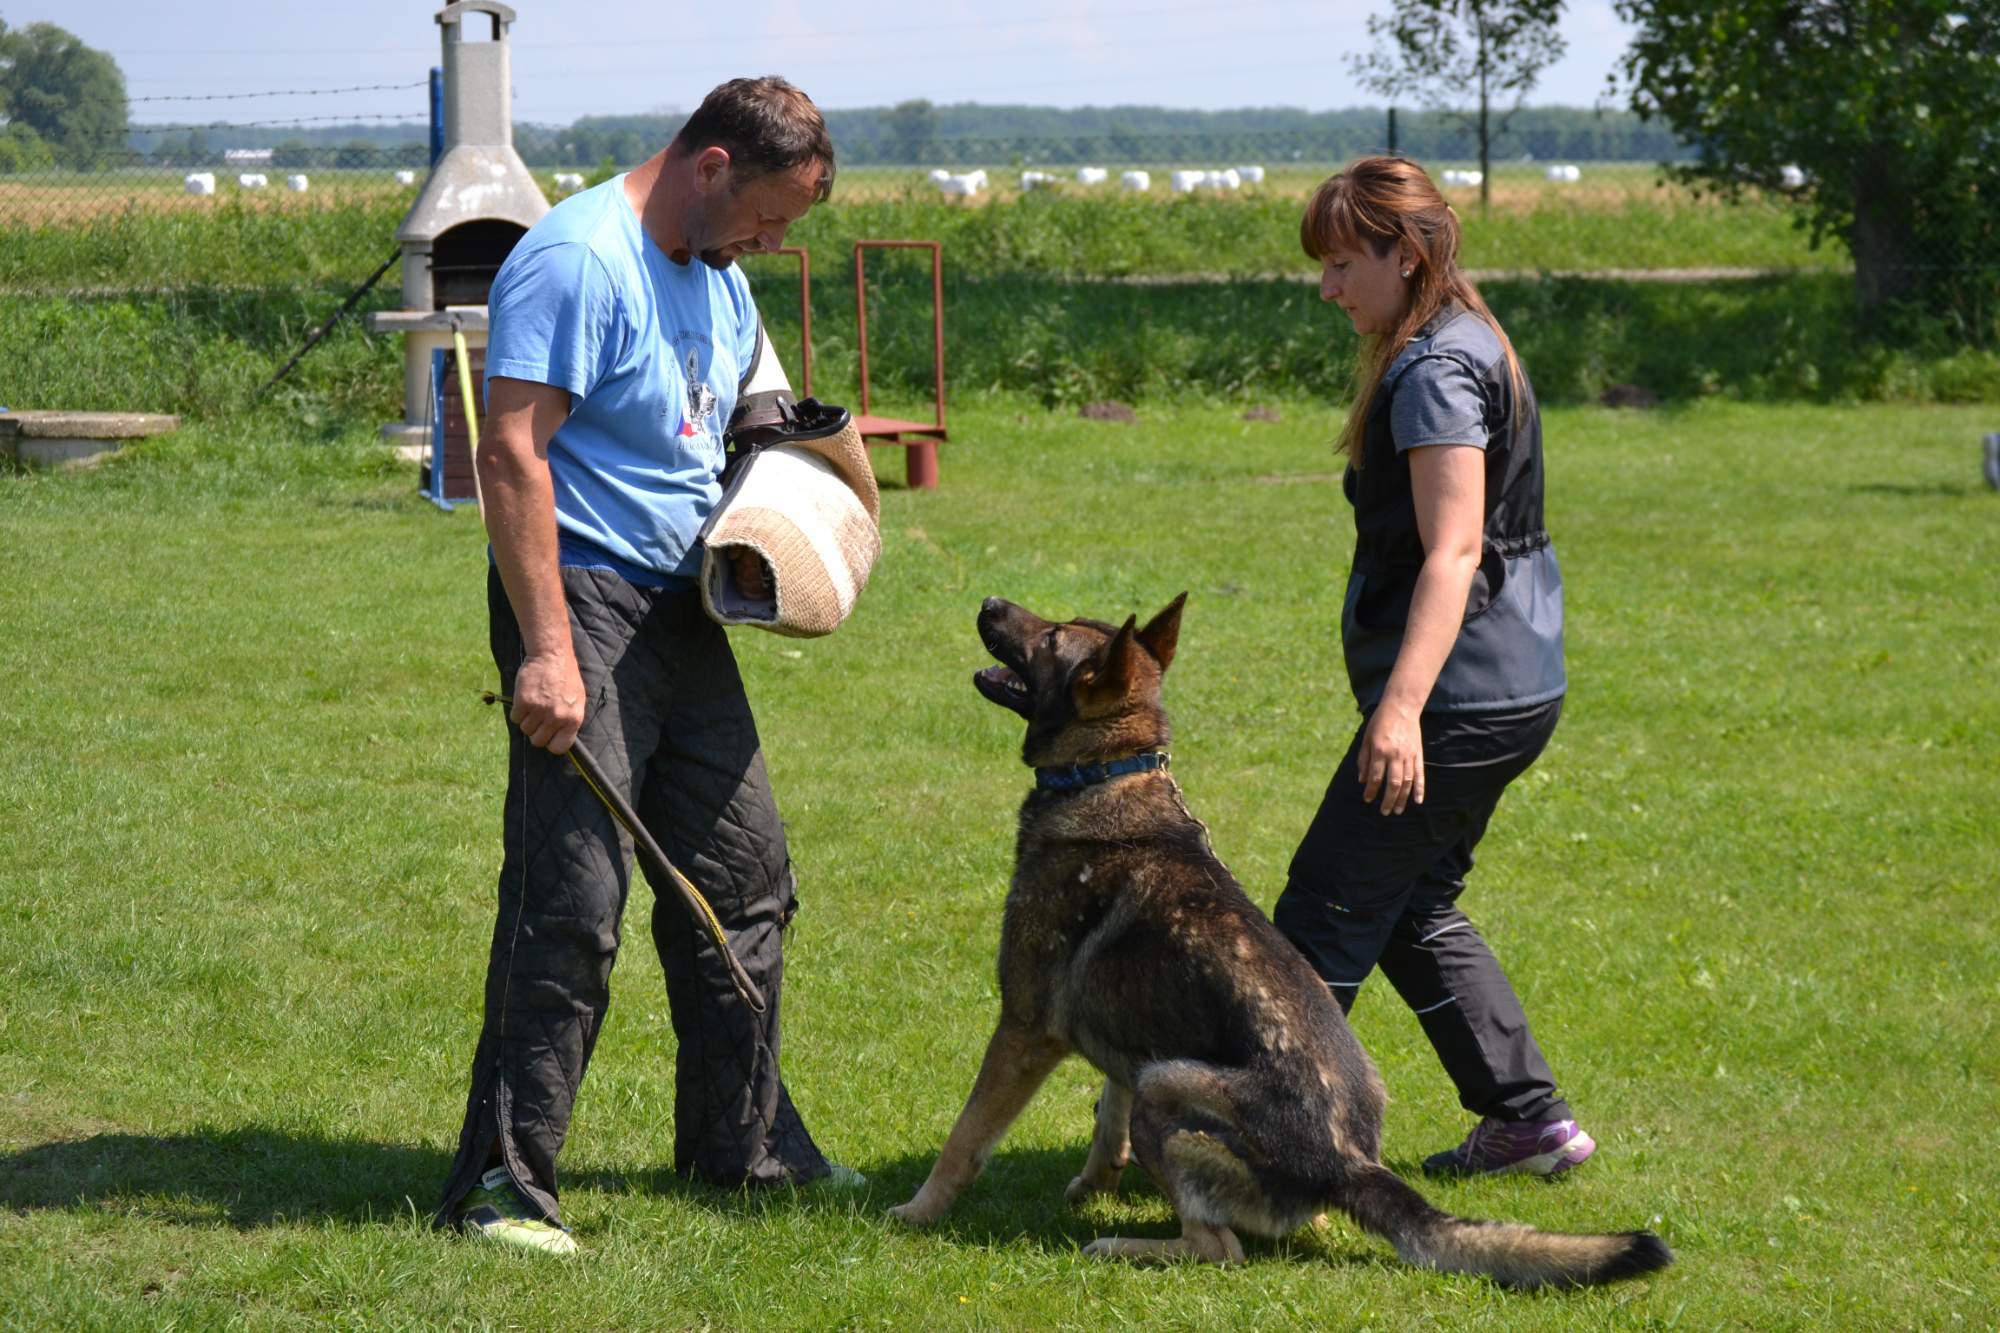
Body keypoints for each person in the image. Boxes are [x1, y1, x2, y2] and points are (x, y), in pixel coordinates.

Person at [435, 76, 856, 1257]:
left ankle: (743, 1148)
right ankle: (502, 1186)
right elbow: (509, 452)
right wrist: (547, 652)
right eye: (765, 217)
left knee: (745, 881)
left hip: (682, 605)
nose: (767, 243)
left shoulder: (716, 273)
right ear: (710, 166)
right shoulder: (578, 260)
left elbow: (733, 413)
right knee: (571, 902)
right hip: (576, 600)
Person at [1271, 156, 1595, 1178]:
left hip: (1459, 697)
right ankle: (1528, 1120)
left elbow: (1453, 551)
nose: (1327, 289)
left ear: (1404, 255)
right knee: (1410, 902)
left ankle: (1267, 1149)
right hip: (1513, 681)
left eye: (1341, 264)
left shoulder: (1435, 371)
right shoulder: (1467, 338)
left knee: (1321, 913)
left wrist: (1402, 708)